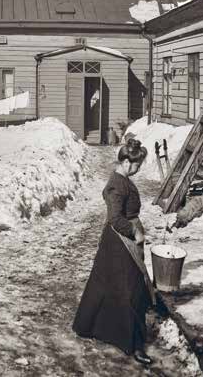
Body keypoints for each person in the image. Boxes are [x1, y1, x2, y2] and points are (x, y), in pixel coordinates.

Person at [73, 138, 154, 366]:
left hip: (118, 241)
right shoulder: (116, 185)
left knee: (108, 285)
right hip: (119, 242)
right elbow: (115, 219)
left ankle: (94, 326)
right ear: (128, 162)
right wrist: (134, 232)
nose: (139, 169)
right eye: (138, 165)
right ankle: (134, 343)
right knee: (132, 290)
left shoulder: (122, 179)